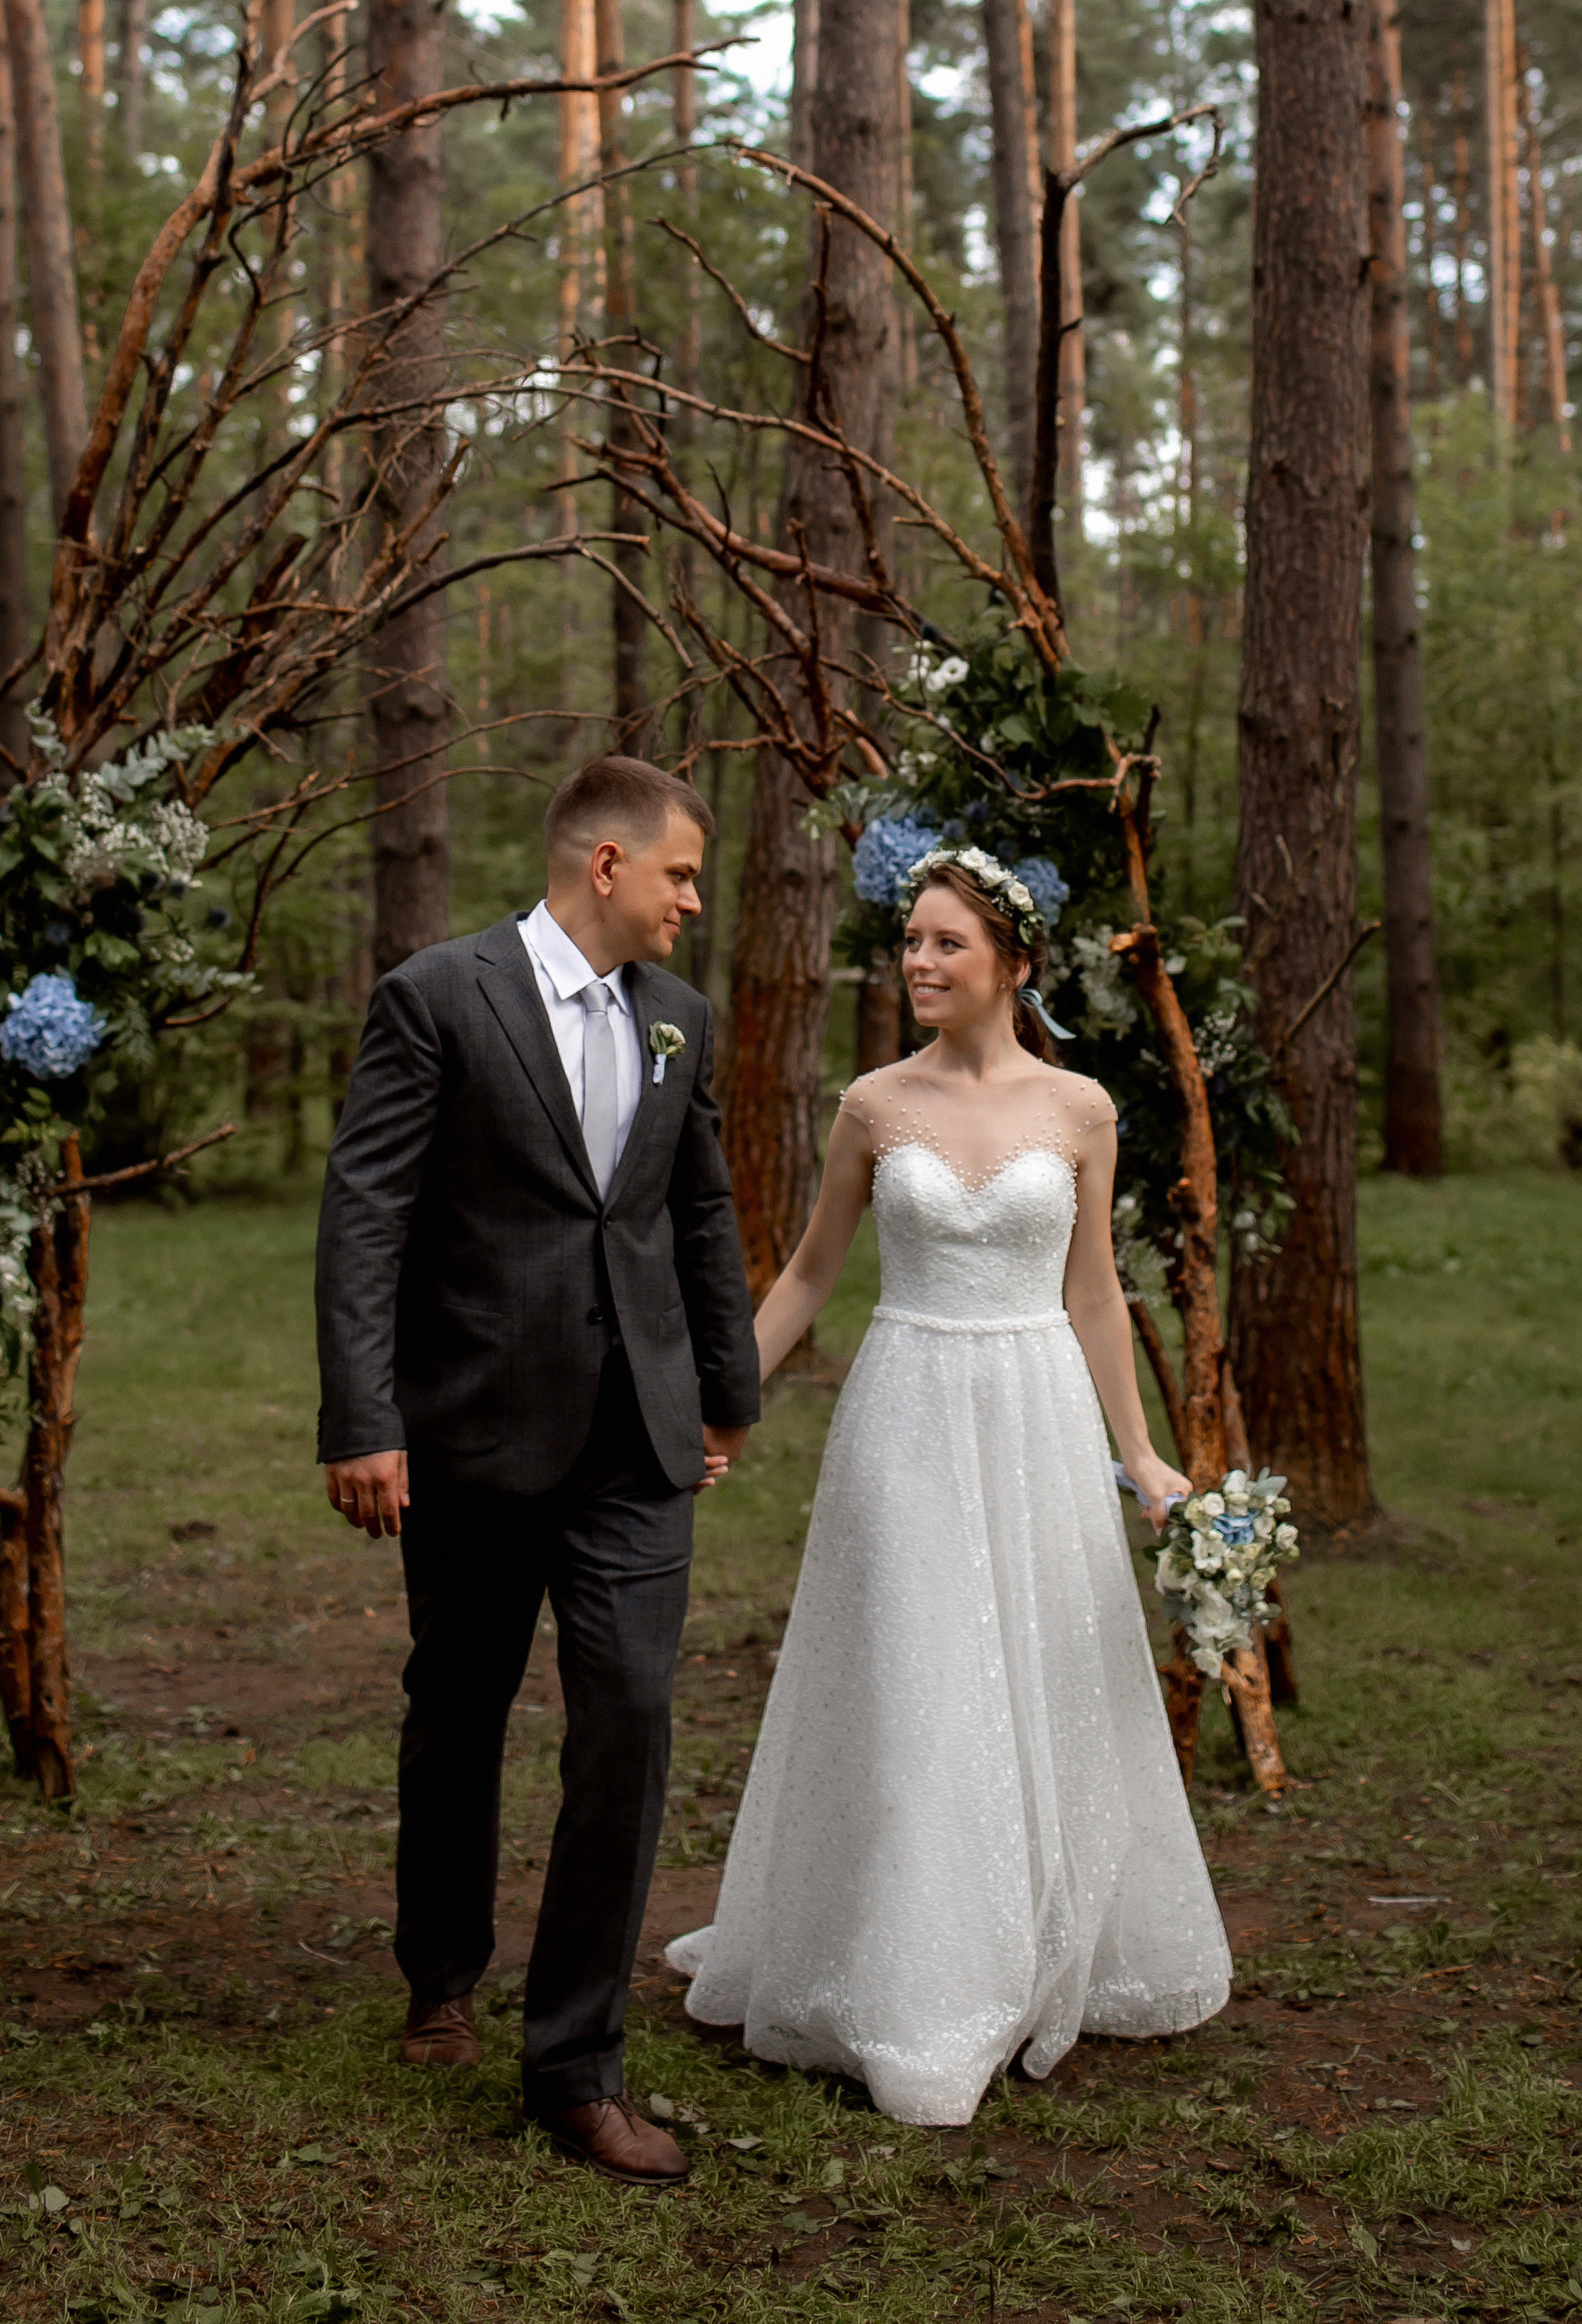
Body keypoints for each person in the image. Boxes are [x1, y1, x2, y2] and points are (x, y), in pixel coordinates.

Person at [667, 842, 1232, 2126]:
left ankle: (1030, 1941)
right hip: (908, 1405)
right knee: (918, 1673)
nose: (918, 962)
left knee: (1032, 1671)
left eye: (944, 944)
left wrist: (1137, 1454)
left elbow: (1094, 1289)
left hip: (1034, 1410)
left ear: (1012, 965)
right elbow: (810, 1274)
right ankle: (908, 1979)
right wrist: (721, 1406)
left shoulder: (1082, 1110)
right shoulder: (873, 1103)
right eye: (911, 941)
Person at [315, 754, 759, 2187]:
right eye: (683, 871)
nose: (698, 898)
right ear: (608, 866)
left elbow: (698, 1213)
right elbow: (366, 1215)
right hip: (474, 1432)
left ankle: (575, 2065)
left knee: (627, 1720)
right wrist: (362, 1419)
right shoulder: (439, 996)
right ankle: (440, 1975)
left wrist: (726, 1391)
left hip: (638, 1439)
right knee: (459, 1705)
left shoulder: (683, 1020)